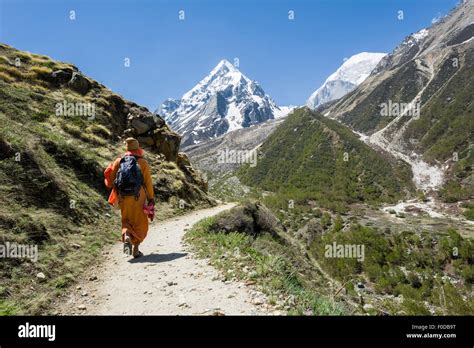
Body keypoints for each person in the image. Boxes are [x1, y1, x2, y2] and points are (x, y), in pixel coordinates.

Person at [106, 138, 155, 258]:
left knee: (126, 220)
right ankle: (136, 250)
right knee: (140, 222)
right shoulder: (143, 162)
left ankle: (127, 237)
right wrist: (151, 198)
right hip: (139, 197)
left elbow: (112, 180)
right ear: (138, 148)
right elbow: (148, 182)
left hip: (123, 197)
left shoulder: (118, 161)